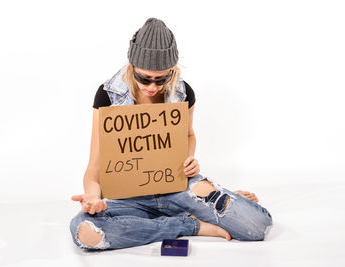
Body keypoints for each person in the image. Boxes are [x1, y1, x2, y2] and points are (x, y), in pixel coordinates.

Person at [70, 18, 272, 250]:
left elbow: (188, 135)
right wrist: (93, 198)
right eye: (144, 78)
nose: (153, 87)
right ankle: (189, 223)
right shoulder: (108, 96)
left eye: (162, 78)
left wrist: (188, 160)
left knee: (257, 225)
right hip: (127, 197)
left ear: (173, 71)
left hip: (175, 189)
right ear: (131, 67)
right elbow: (94, 168)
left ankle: (192, 209)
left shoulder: (184, 93)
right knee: (85, 232)